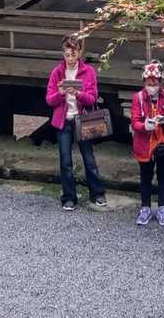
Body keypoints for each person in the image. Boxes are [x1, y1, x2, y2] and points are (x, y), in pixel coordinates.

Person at [45, 35, 106, 211]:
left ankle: (97, 193)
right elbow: (49, 100)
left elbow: (92, 98)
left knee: (89, 158)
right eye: (67, 55)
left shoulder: (88, 72)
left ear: (79, 53)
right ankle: (69, 197)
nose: (70, 58)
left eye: (73, 54)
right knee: (65, 161)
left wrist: (78, 93)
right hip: (63, 120)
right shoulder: (57, 72)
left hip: (83, 118)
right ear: (63, 54)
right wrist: (61, 93)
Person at [130, 60, 164, 227]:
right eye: (149, 83)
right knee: (145, 177)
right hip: (144, 144)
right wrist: (145, 126)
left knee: (163, 176)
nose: (152, 86)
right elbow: (134, 122)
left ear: (160, 82)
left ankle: (162, 208)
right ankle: (145, 208)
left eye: (155, 83)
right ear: (144, 82)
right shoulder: (138, 98)